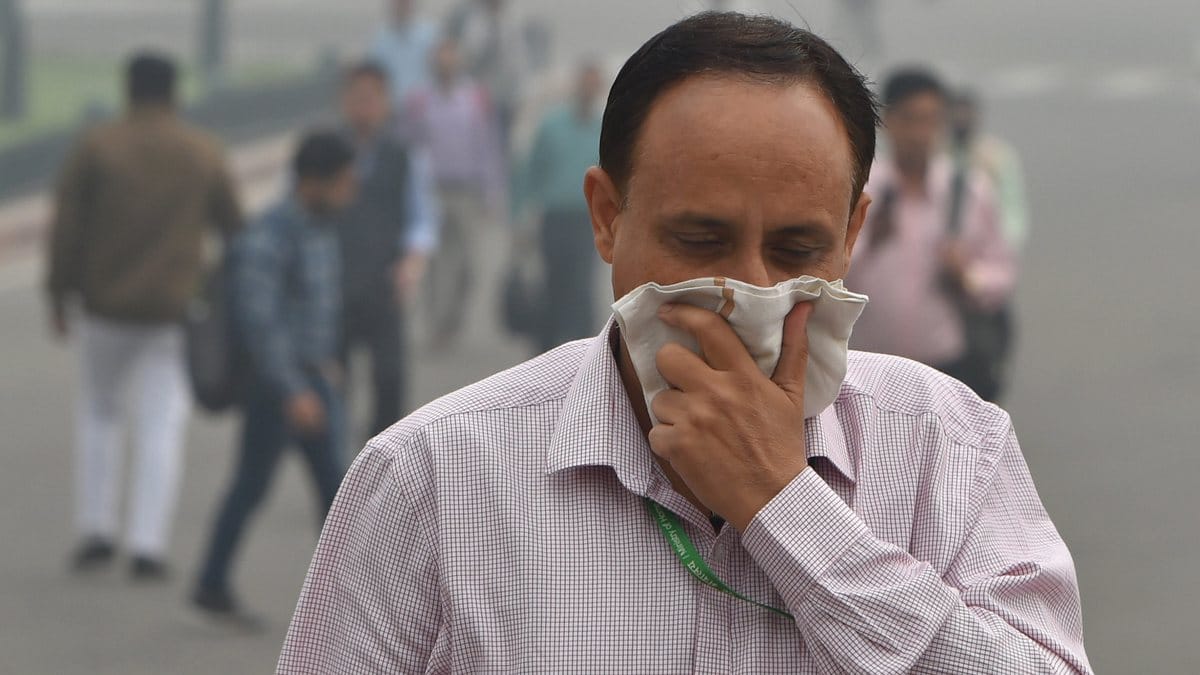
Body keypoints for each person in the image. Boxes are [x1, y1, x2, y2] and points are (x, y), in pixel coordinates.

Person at [279, 14, 1091, 673]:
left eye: (796, 249)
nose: (747, 290)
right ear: (606, 217)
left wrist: (791, 513)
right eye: (700, 239)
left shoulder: (950, 449)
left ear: (851, 236)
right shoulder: (430, 478)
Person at [45, 51, 242, 579]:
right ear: (174, 93)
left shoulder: (96, 146)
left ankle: (96, 528)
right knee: (160, 425)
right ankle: (147, 542)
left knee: (100, 412)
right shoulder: (202, 151)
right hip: (173, 312)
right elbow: (236, 229)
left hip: (104, 308)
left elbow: (66, 227)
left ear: (127, 90)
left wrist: (58, 294)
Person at [192, 131, 356, 621]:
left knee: (328, 491)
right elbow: (260, 322)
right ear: (314, 182)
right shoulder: (268, 236)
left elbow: (315, 306)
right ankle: (346, 606)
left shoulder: (319, 228)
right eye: (345, 182)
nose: (352, 192)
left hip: (311, 378)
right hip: (282, 387)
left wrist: (326, 361)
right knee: (315, 492)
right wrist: (293, 388)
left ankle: (214, 581)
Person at [846, 68, 1016, 401]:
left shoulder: (968, 191)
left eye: (931, 120)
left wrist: (969, 276)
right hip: (866, 367)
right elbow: (825, 272)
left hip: (946, 366)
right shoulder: (861, 190)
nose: (920, 133)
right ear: (887, 121)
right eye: (910, 119)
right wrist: (868, 242)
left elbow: (1002, 271)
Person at [337, 62, 439, 438]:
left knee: (389, 378)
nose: (364, 106)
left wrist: (411, 264)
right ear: (343, 101)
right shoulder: (327, 153)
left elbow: (421, 218)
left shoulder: (403, 156)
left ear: (385, 103)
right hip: (333, 282)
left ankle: (379, 458)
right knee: (333, 381)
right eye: (357, 98)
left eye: (372, 98)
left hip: (384, 282)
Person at [405, 38, 505, 346]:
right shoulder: (420, 100)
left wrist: (492, 193)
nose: (446, 66)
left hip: (467, 189)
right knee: (434, 263)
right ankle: (437, 324)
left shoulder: (474, 98)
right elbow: (410, 146)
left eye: (451, 60)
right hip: (432, 189)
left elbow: (488, 145)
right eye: (441, 60)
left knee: (470, 265)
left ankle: (453, 319)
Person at [514, 60, 605, 351]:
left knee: (582, 285)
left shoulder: (604, 126)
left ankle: (582, 350)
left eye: (594, 84)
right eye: (584, 83)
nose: (588, 89)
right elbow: (530, 170)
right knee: (554, 281)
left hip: (587, 218)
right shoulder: (552, 124)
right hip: (554, 216)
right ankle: (544, 348)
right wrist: (521, 214)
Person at [445, 0, 531, 153]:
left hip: (505, 98)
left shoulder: (512, 23)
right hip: (478, 99)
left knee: (501, 147)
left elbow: (519, 63)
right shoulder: (475, 23)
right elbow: (468, 57)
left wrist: (520, 94)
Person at [950, 89, 1031, 252]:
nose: (961, 121)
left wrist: (1004, 246)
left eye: (965, 116)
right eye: (956, 116)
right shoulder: (936, 156)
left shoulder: (997, 157)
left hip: (986, 248)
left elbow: (1013, 207)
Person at [367, 0, 438, 122]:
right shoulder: (380, 39)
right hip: (392, 112)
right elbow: (375, 77)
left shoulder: (431, 35)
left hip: (426, 111)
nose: (401, 6)